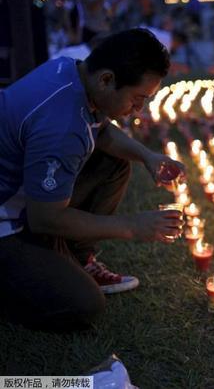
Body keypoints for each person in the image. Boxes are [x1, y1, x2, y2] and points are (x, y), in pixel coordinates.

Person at [0, 28, 184, 331]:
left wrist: (147, 157)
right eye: (138, 99)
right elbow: (45, 217)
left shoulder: (69, 70)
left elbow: (100, 129)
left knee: (114, 162)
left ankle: (73, 255)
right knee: (84, 304)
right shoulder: (61, 126)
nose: (139, 110)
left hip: (26, 195)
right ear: (107, 79)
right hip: (8, 221)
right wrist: (133, 226)